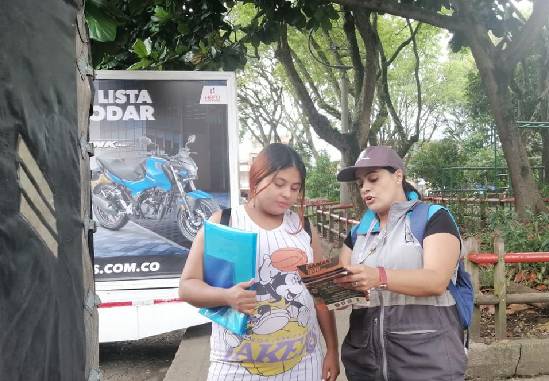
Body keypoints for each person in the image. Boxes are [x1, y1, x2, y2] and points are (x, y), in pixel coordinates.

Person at [179, 143, 340, 381]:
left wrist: (332, 350)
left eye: (295, 188)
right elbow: (188, 286)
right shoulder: (224, 222)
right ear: (257, 178)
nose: (288, 194)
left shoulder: (304, 228)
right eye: (279, 184)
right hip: (235, 368)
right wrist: (226, 296)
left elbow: (320, 296)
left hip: (304, 364)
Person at [334, 146, 466, 381]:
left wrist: (380, 277)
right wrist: (332, 290)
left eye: (373, 178)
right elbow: (346, 288)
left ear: (398, 175)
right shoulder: (357, 233)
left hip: (427, 362)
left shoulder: (433, 218)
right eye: (360, 183)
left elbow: (436, 280)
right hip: (365, 364)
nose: (365, 188)